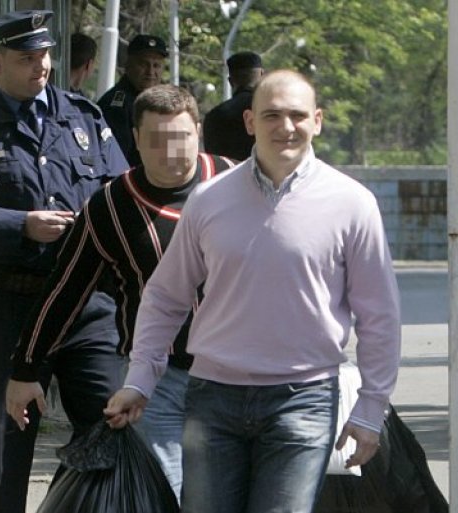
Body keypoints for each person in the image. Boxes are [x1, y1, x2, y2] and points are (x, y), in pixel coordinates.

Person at [105, 69, 402, 512]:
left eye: (297, 115)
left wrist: (371, 408)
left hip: (304, 400)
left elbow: (379, 315)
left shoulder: (352, 203)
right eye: (272, 115)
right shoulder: (209, 199)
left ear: (318, 121)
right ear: (249, 122)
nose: (286, 127)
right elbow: (165, 297)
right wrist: (140, 380)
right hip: (214, 397)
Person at [5, 84, 234, 499]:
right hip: (158, 380)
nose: (170, 152)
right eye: (156, 140)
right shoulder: (111, 206)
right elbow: (66, 289)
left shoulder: (235, 183)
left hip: (238, 377)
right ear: (135, 139)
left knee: (227, 495)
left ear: (198, 132)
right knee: (165, 496)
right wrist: (26, 368)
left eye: (181, 137)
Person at [0, 10, 128, 513]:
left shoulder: (82, 115)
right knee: (4, 444)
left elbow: (119, 192)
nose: (40, 66)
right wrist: (19, 224)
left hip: (87, 303)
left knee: (112, 422)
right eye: (27, 58)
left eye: (45, 55)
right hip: (15, 303)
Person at [97, 34, 168, 167]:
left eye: (156, 65)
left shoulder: (159, 101)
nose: (150, 71)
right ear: (128, 64)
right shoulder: (117, 105)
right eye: (144, 64)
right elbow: (116, 160)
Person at [202, 50, 263, 161]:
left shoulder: (213, 117)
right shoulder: (270, 112)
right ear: (262, 75)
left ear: (230, 81)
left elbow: (212, 159)